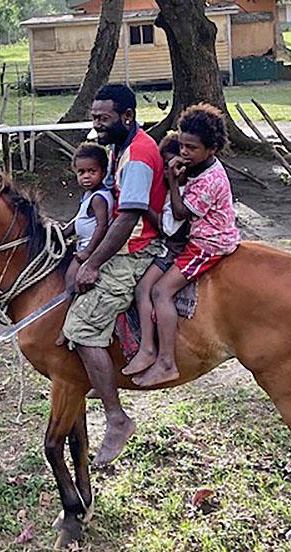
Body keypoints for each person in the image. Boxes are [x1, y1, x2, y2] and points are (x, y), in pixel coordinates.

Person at [62, 84, 167, 466]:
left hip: (137, 250)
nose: (96, 125)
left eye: (102, 119)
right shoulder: (119, 147)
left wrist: (92, 262)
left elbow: (128, 217)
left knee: (83, 327)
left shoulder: (137, 154)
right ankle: (96, 374)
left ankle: (116, 417)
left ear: (126, 116)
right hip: (122, 243)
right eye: (93, 118)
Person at [132, 103, 241, 388]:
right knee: (145, 284)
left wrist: (171, 179)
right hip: (191, 237)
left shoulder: (211, 180)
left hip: (208, 243)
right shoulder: (197, 167)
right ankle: (145, 349)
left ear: (212, 149)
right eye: (181, 145)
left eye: (191, 148)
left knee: (160, 290)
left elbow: (180, 213)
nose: (184, 152)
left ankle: (167, 362)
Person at [122, 133, 190, 376]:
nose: (172, 171)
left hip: (174, 248)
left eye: (177, 166)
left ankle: (151, 350)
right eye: (168, 167)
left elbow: (169, 227)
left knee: (146, 289)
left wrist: (140, 205)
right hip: (166, 243)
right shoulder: (172, 185)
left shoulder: (181, 190)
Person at [60, 143, 115, 296]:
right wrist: (62, 233)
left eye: (92, 171)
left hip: (92, 250)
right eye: (81, 172)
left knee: (71, 278)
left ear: (103, 172)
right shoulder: (89, 194)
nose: (86, 176)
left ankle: (76, 309)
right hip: (84, 246)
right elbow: (79, 218)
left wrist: (87, 252)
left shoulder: (98, 198)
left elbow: (102, 226)